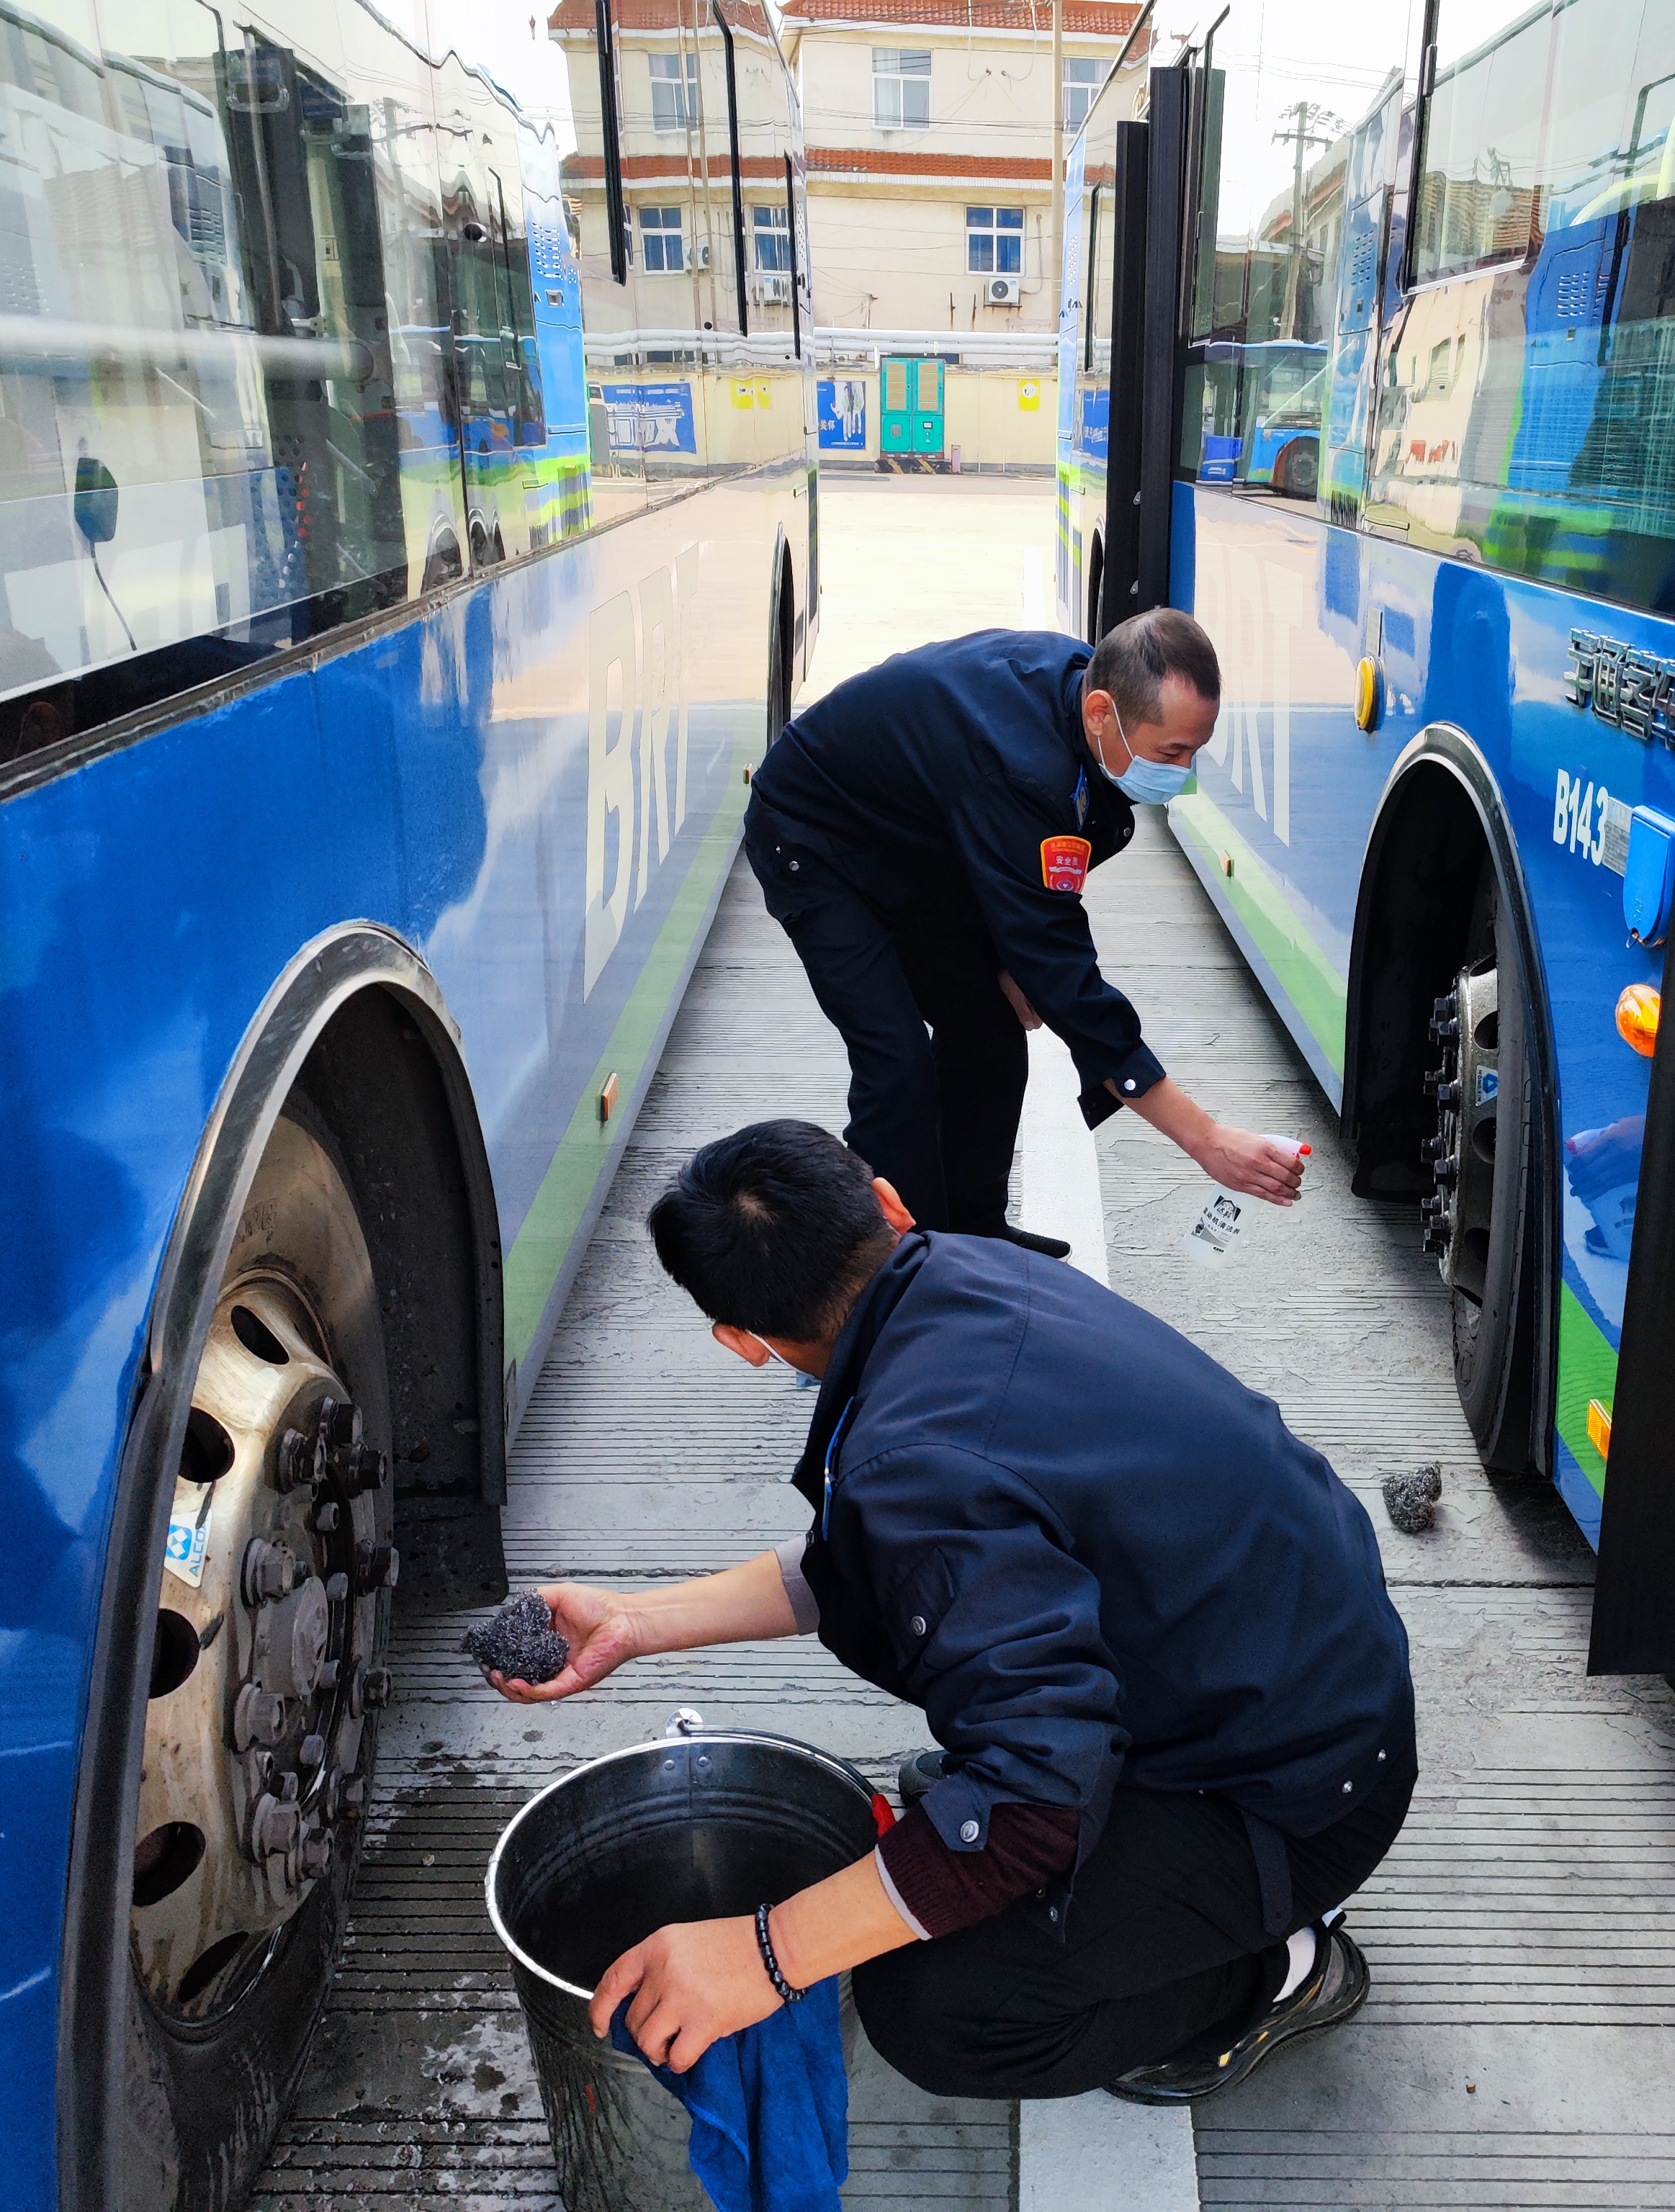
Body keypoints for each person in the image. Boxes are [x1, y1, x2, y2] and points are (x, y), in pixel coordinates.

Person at [485, 1119, 1417, 2102]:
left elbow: (1029, 1810)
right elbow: (884, 1552)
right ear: (888, 1203)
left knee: (936, 2006)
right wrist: (640, 1621)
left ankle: (1277, 1970)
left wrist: (764, 1953)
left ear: (742, 1343)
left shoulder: (911, 1459)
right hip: (1308, 1680)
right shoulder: (964, 1277)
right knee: (950, 1840)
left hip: (1294, 1798)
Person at [745, 608, 1303, 1255]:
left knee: (989, 1029)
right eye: (1171, 752)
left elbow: (1037, 883)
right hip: (815, 837)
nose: (1182, 773)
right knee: (896, 1066)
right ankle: (896, 1265)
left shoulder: (1088, 695)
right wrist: (1204, 1138)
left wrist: (1011, 952)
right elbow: (1065, 975)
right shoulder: (1023, 766)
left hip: (924, 845)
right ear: (1101, 712)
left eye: (1195, 752)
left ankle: (974, 1233)